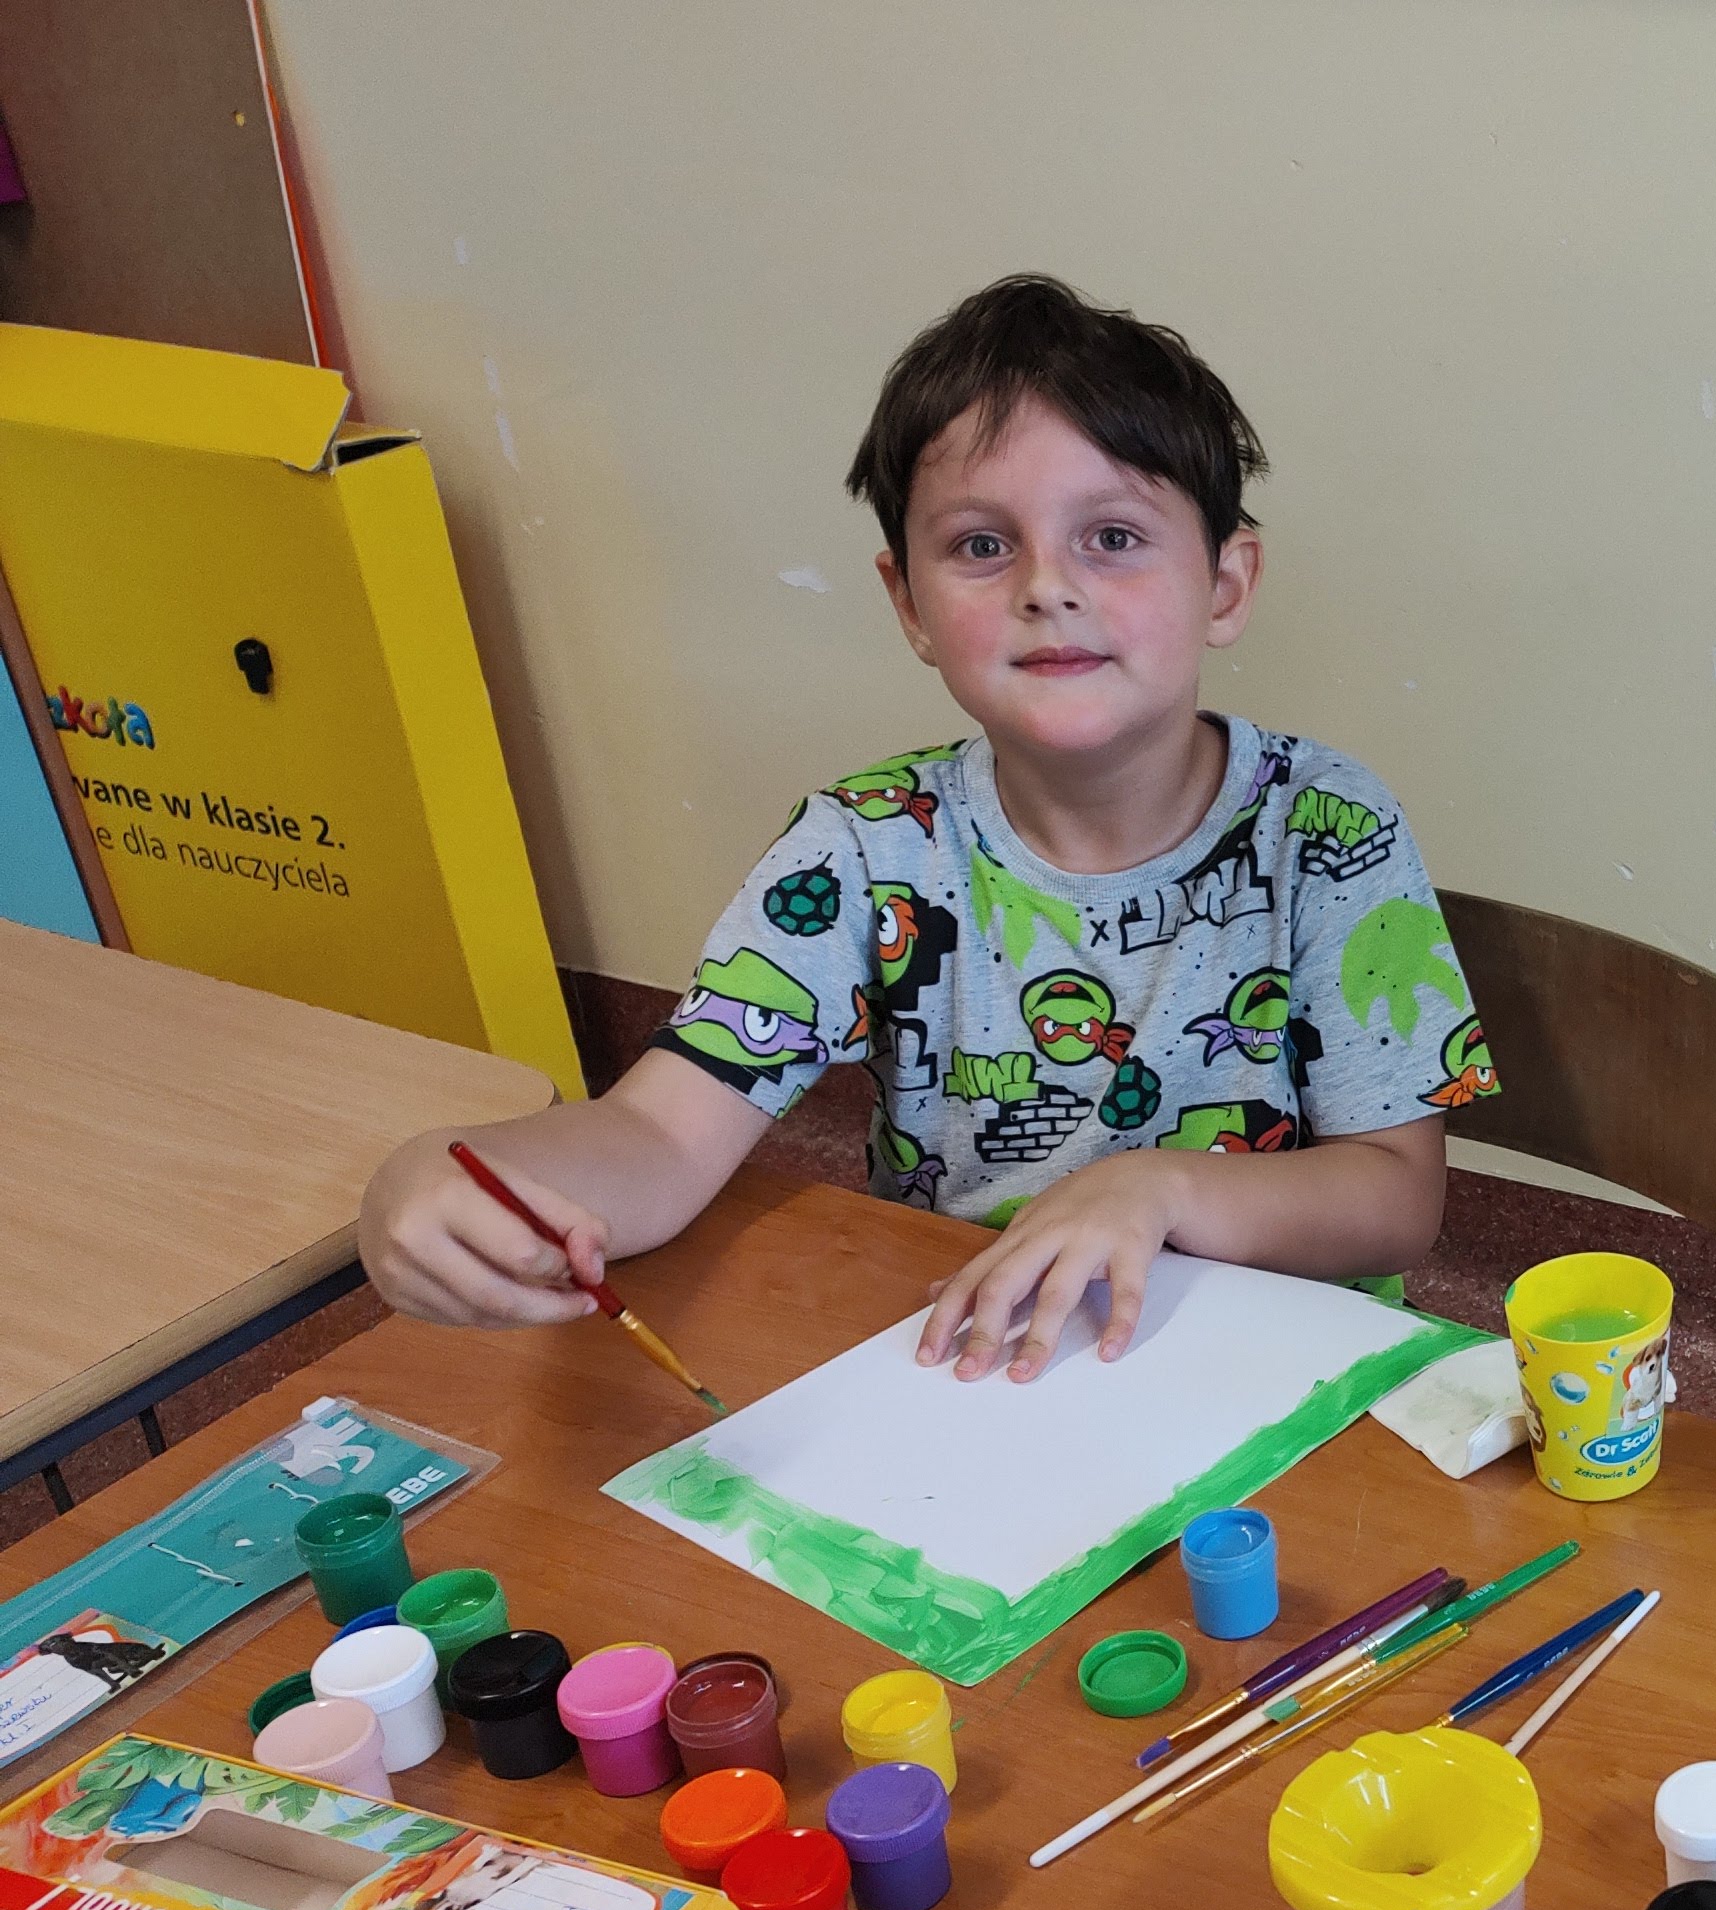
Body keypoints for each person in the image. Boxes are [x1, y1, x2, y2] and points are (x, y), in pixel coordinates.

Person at [359, 275, 1487, 1381]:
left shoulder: (1327, 827)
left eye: (1112, 536)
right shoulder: (864, 847)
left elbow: (1395, 1197)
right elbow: (659, 1135)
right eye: (983, 546)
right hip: (979, 1372)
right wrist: (443, 1173)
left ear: (1226, 585)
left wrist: (1160, 1187)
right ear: (909, 604)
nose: (1047, 586)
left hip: (1280, 1382)